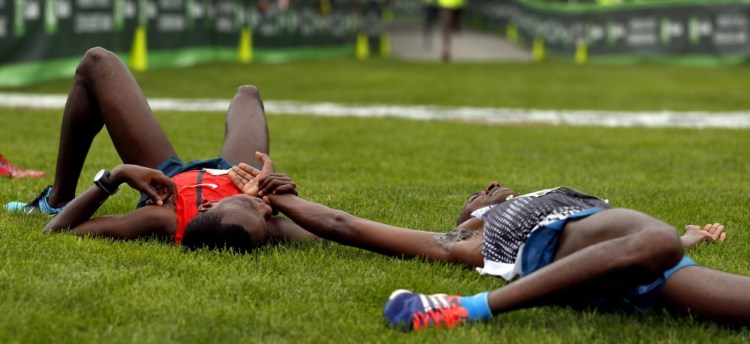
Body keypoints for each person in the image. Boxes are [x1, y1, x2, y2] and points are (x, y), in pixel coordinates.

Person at [228, 155, 749, 329]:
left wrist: (691, 236)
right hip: (641, 250)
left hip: (655, 266)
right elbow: (344, 224)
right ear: (469, 217)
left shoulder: (525, 205)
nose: (490, 187)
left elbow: (630, 243)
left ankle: (670, 243)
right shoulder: (468, 238)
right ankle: (466, 309)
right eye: (478, 194)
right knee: (657, 238)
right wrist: (281, 199)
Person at [4, 47, 316, 251]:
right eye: (264, 213)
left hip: (168, 177)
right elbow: (324, 229)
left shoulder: (164, 219)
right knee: (248, 93)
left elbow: (56, 233)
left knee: (96, 62)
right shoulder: (259, 211)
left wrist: (116, 176)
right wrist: (280, 197)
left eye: (258, 209)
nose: (262, 207)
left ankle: (57, 200)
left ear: (208, 209)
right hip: (238, 174)